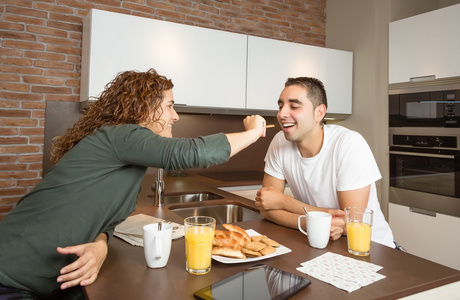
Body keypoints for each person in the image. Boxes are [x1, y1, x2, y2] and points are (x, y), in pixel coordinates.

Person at [0, 68, 268, 299]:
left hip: (51, 284)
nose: (175, 117)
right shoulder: (121, 136)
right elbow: (187, 153)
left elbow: (107, 222)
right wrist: (254, 133)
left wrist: (101, 245)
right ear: (143, 107)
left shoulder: (128, 160)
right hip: (10, 276)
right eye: (169, 106)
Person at [254, 77, 395, 248]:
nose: (282, 114)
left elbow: (350, 222)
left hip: (372, 249)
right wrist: (309, 223)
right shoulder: (279, 142)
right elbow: (266, 207)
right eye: (280, 106)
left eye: (294, 106)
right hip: (320, 245)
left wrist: (284, 202)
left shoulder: (348, 144)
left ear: (319, 113)